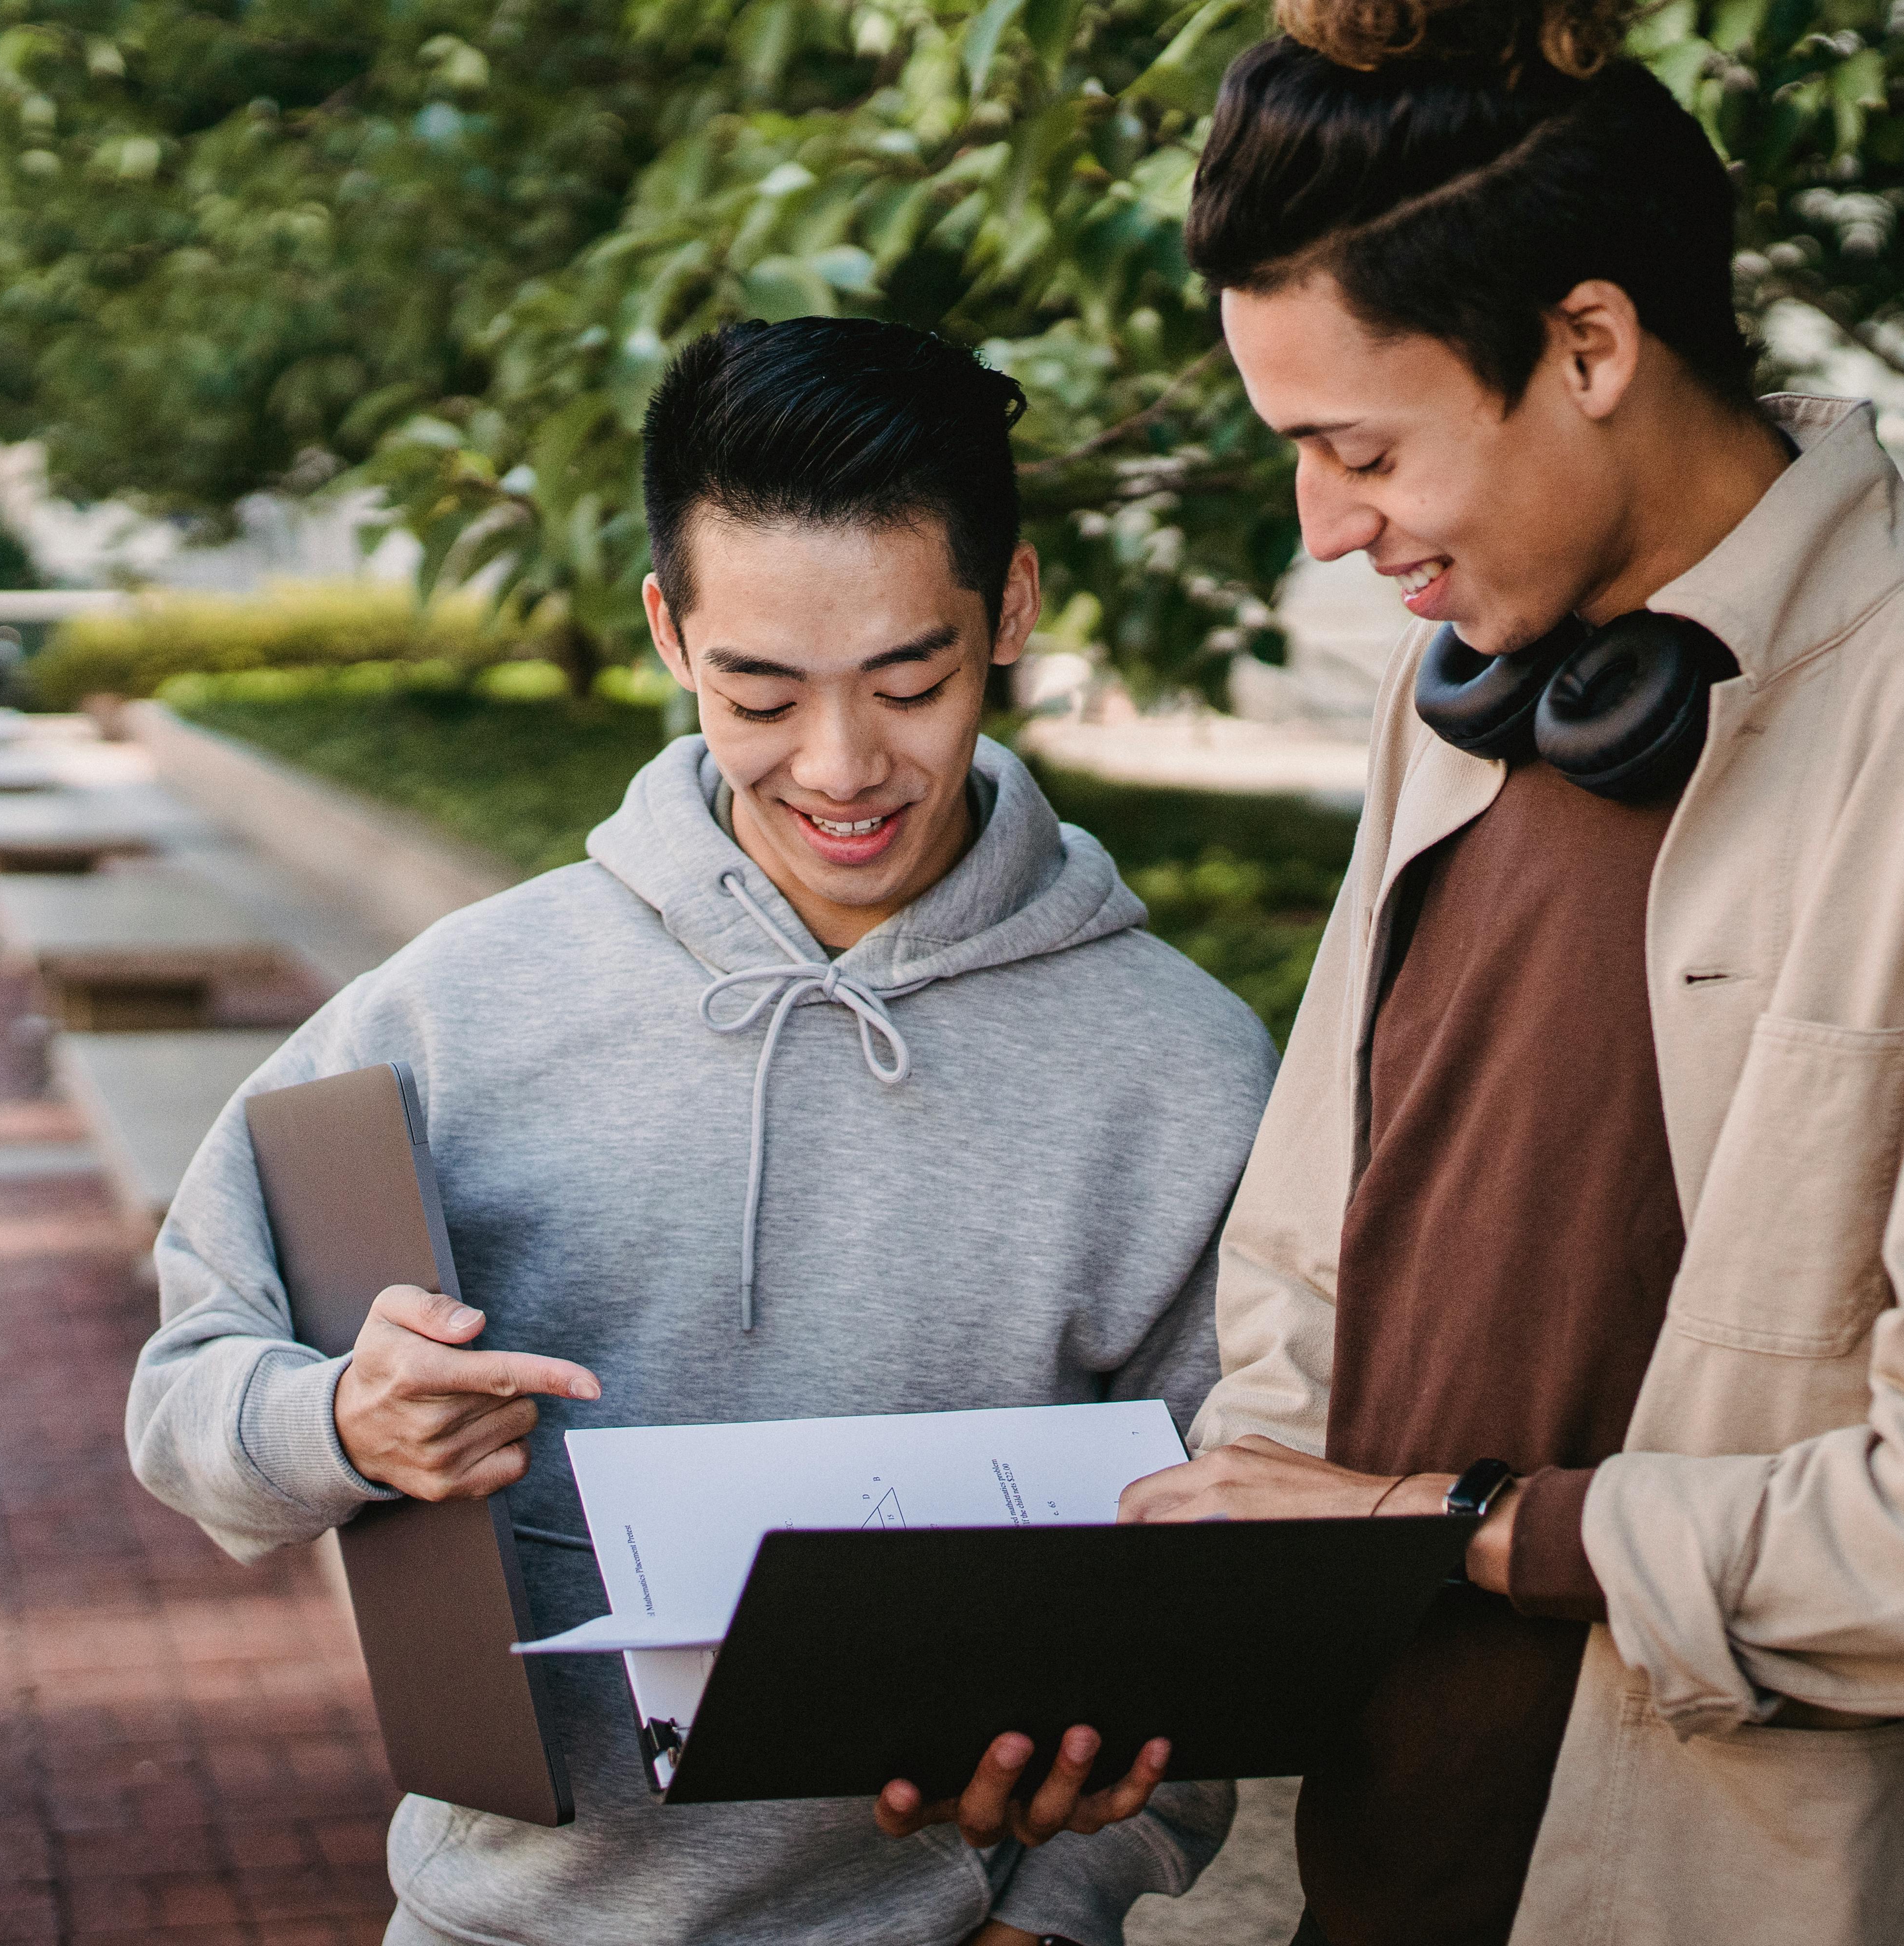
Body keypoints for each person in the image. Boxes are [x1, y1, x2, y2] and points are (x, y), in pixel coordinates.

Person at [1116, 4, 1904, 1942]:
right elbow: (1301, 1272)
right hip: (1380, 1871)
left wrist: (1475, 1534)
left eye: (1361, 448)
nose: (1325, 524)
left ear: (1593, 346)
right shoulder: (1447, 703)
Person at [127, 316, 1278, 1946]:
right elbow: (183, 1399)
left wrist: (1068, 1894)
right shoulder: (459, 1006)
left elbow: (1237, 1547)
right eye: (761, 690)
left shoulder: (1183, 1068)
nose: (842, 766)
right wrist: (343, 1425)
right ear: (670, 630)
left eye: (910, 679)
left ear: (1010, 608)